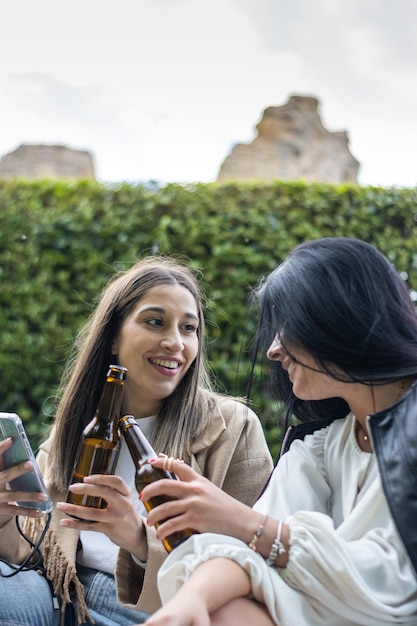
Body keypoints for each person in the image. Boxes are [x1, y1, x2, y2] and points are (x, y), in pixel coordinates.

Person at [134, 238, 417, 626]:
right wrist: (191, 603)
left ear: (335, 318)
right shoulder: (318, 446)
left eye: (286, 327)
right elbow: (257, 550)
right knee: (220, 607)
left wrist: (239, 519)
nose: (272, 350)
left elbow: (396, 586)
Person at [0, 256, 273, 626]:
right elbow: (32, 556)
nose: (175, 342)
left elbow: (254, 561)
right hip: (60, 594)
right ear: (113, 338)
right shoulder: (75, 434)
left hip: (153, 610)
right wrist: (3, 517)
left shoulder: (232, 430)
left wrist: (138, 539)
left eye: (189, 327)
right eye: (155, 322)